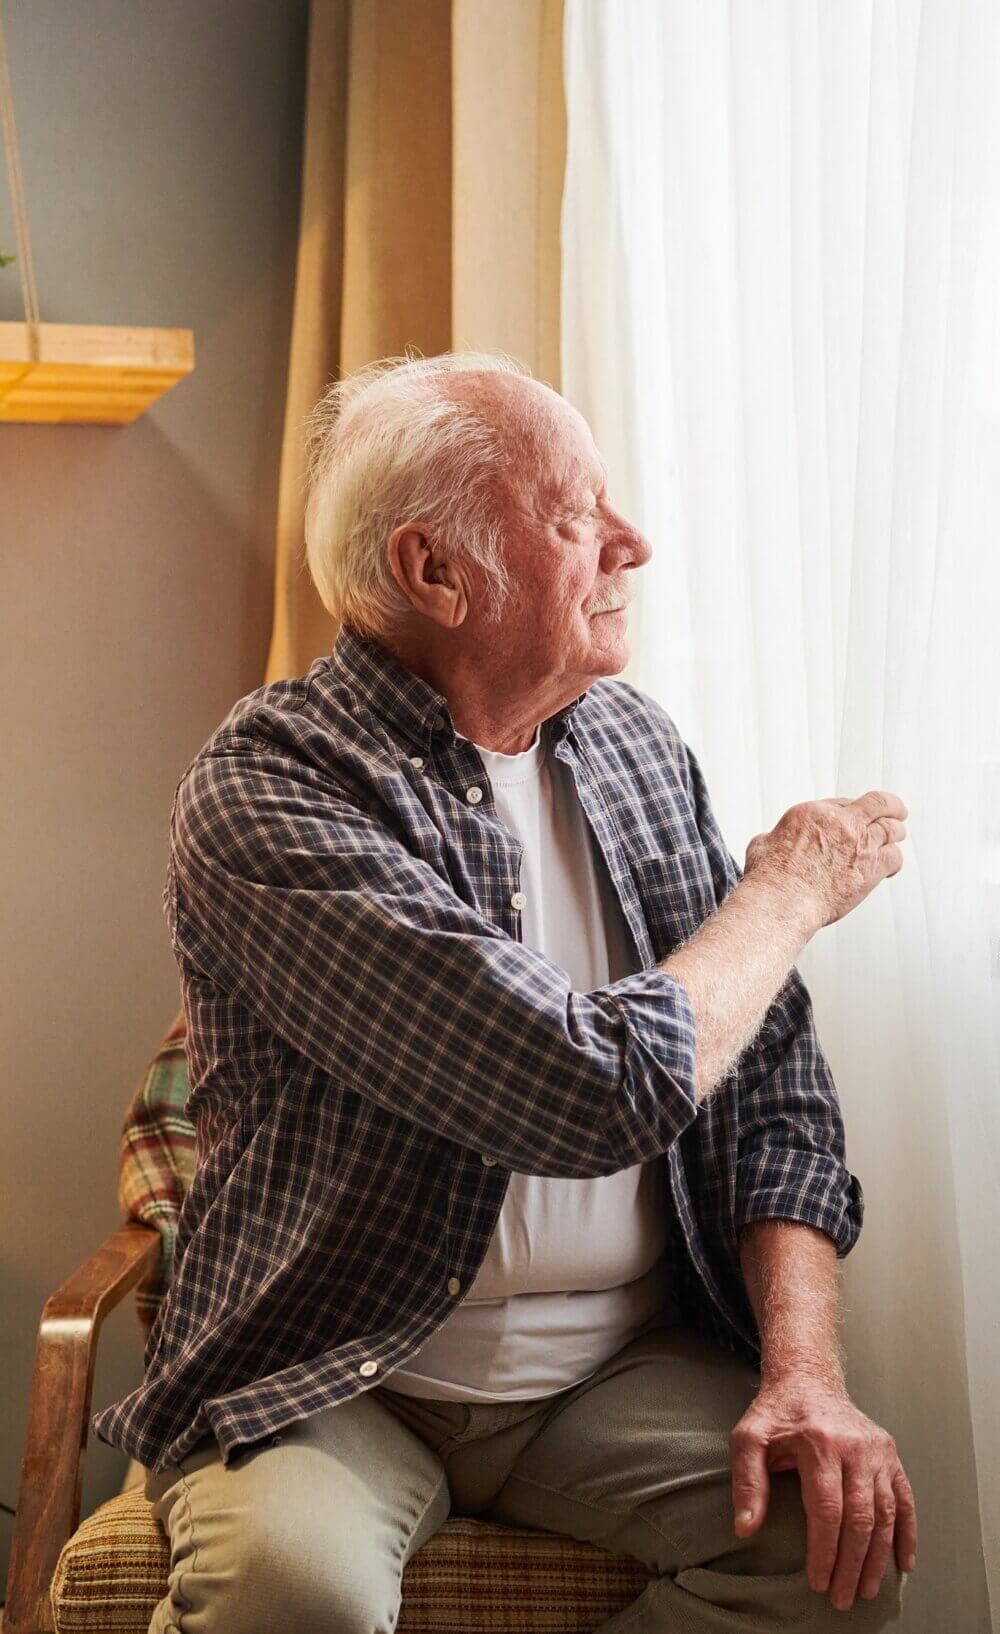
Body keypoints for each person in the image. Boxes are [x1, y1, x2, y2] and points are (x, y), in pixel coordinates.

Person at [93, 351, 916, 1631]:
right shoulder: (274, 790)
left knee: (832, 1538)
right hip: (339, 1364)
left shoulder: (635, 745)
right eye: (578, 511)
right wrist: (788, 891)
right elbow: (584, 1090)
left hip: (614, 1363)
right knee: (288, 1591)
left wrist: (804, 1372)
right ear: (436, 571)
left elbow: (771, 1094)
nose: (631, 541)